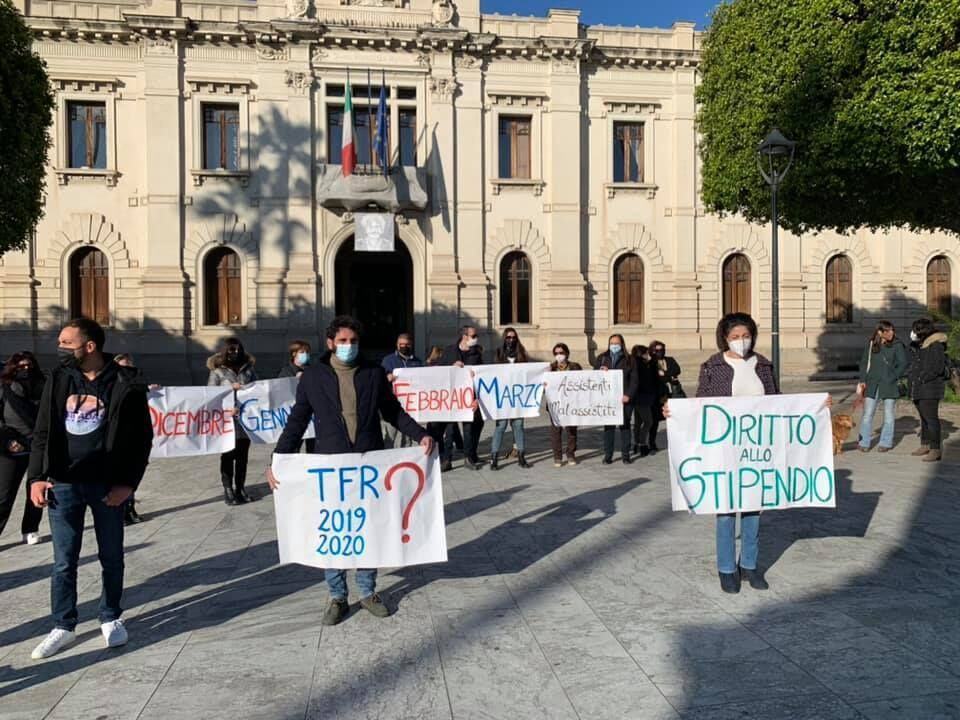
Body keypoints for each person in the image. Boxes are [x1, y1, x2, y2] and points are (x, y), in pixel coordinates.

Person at [267, 315, 433, 626]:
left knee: (368, 529)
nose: (348, 346)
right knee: (337, 531)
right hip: (332, 466)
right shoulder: (314, 377)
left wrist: (420, 433)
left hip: (368, 464)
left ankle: (368, 591)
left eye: (353, 341)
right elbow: (297, 421)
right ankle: (337, 596)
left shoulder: (373, 373)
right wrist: (278, 459)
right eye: (342, 341)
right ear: (331, 343)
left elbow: (392, 412)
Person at [27, 318, 153, 659]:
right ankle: (62, 625)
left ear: (90, 346)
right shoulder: (58, 379)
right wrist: (37, 476)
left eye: (67, 343)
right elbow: (42, 432)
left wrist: (128, 484)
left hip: (107, 485)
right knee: (63, 561)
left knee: (111, 556)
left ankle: (111, 617)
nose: (61, 348)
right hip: (64, 483)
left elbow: (143, 439)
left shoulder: (126, 382)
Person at [0, 352, 45, 545]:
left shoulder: (43, 388)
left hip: (38, 445)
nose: (26, 371)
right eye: (21, 367)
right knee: (4, 493)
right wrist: (7, 440)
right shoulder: (5, 388)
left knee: (36, 491)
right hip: (12, 446)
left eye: (29, 367)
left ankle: (30, 529)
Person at [208, 337, 257, 505]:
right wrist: (230, 389)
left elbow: (258, 390)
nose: (234, 352)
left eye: (237, 349)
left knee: (242, 456)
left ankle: (240, 488)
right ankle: (228, 490)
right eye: (231, 349)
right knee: (228, 455)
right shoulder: (218, 372)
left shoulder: (248, 370)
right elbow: (210, 395)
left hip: (245, 420)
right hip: (226, 420)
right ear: (225, 351)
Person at [855, 321, 908, 453]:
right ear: (880, 332)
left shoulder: (897, 345)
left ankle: (886, 442)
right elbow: (864, 363)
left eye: (892, 330)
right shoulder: (872, 343)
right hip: (872, 384)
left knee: (889, 415)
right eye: (888, 331)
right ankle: (864, 442)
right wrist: (862, 379)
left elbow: (903, 364)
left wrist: (893, 376)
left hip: (889, 385)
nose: (891, 333)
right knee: (867, 414)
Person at [440, 326, 484, 472]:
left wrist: (477, 398)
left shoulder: (476, 353)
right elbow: (438, 370)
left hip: (469, 397)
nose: (476, 337)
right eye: (474, 335)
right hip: (452, 398)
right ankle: (447, 460)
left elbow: (482, 377)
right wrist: (451, 366)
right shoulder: (449, 351)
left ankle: (468, 458)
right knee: (450, 430)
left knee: (468, 429)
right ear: (465, 337)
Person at [490, 328, 531, 470]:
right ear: (504, 338)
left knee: (518, 426)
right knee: (500, 426)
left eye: (513, 337)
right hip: (503, 395)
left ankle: (521, 455)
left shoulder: (522, 353)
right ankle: (494, 457)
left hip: (517, 396)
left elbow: (528, 372)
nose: (511, 340)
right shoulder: (498, 353)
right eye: (508, 337)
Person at [907, 318, 948, 462]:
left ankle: (935, 449)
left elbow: (937, 368)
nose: (912, 333)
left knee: (931, 419)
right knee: (924, 418)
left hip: (930, 388)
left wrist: (921, 378)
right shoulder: (920, 345)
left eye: (915, 330)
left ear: (921, 330)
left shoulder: (935, 345)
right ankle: (925, 444)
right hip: (919, 387)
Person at [113, 354, 146, 525]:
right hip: (119, 438)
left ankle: (130, 508)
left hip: (134, 437)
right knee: (119, 476)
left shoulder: (138, 381)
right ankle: (121, 510)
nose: (127, 370)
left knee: (132, 473)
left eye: (129, 366)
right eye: (123, 366)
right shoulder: (114, 384)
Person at [595, 334, 638, 464]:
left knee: (625, 427)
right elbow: (593, 376)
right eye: (612, 343)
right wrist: (600, 371)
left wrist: (628, 395)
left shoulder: (630, 359)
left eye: (617, 343)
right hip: (608, 399)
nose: (614, 346)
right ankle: (608, 455)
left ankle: (626, 455)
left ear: (622, 344)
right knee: (608, 428)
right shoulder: (602, 358)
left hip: (624, 399)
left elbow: (635, 380)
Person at [381, 334, 424, 449]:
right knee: (390, 436)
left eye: (407, 344)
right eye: (401, 344)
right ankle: (386, 460)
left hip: (412, 405)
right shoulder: (388, 360)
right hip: (393, 404)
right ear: (397, 345)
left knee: (409, 436)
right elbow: (380, 379)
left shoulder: (417, 362)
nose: (404, 346)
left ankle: (406, 460)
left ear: (411, 344)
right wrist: (387, 377)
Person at [548, 343, 582, 467]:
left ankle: (571, 454)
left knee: (571, 430)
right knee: (555, 431)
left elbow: (582, 381)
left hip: (571, 403)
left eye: (561, 353)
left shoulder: (575, 366)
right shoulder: (550, 368)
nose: (559, 355)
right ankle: (557, 456)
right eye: (556, 353)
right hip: (555, 404)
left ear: (567, 353)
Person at [278, 340, 315, 454]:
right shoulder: (286, 371)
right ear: (294, 353)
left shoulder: (313, 370)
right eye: (302, 352)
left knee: (313, 450)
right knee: (293, 449)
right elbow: (279, 391)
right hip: (294, 416)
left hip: (312, 418)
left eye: (308, 352)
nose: (306, 355)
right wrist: (294, 379)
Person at [648, 340, 681, 454]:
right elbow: (655, 377)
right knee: (654, 421)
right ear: (652, 351)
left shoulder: (670, 360)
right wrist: (669, 376)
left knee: (673, 418)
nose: (660, 352)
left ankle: (676, 443)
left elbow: (677, 370)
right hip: (657, 395)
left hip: (670, 393)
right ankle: (651, 443)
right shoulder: (650, 363)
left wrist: (665, 374)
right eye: (657, 350)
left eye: (662, 349)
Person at [630, 345, 659, 458]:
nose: (648, 355)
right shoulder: (641, 364)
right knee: (648, 422)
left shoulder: (636, 363)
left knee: (638, 423)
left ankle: (636, 444)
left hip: (638, 397)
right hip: (643, 397)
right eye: (646, 353)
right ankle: (642, 444)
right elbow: (646, 381)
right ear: (641, 354)